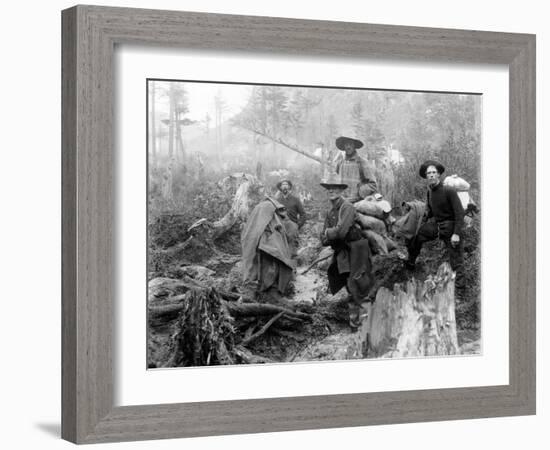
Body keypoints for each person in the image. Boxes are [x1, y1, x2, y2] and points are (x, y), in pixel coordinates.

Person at [320, 174, 374, 331]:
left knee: (361, 286)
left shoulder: (347, 207)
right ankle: (354, 324)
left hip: (357, 250)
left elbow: (342, 232)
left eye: (335, 188)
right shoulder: (330, 212)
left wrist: (329, 234)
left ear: (341, 190)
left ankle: (367, 326)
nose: (332, 191)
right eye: (329, 189)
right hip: (343, 252)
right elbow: (322, 239)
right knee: (349, 288)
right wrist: (331, 233)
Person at [405, 160, 465, 295]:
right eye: (428, 173)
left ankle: (461, 292)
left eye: (433, 172)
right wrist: (417, 218)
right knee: (417, 236)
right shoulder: (430, 192)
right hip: (437, 226)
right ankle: (411, 263)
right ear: (426, 176)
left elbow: (459, 213)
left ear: (438, 175)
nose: (431, 175)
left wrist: (456, 233)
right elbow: (431, 211)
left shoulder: (449, 190)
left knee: (456, 259)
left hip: (451, 227)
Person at [241, 196, 295, 301]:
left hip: (271, 274)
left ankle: (269, 292)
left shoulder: (277, 225)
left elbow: (282, 247)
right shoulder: (257, 226)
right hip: (259, 273)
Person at [334, 136, 378, 202]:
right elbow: (335, 181)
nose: (348, 147)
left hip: (357, 203)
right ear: (344, 147)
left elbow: (373, 185)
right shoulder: (340, 163)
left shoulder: (362, 162)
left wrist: (360, 192)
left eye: (351, 144)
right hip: (341, 202)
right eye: (346, 144)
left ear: (354, 146)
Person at [275, 179, 306, 256]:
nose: (284, 186)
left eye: (286, 184)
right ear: (280, 188)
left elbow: (303, 214)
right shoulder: (277, 200)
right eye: (282, 185)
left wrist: (298, 225)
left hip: (292, 226)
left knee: (292, 247)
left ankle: (293, 266)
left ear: (289, 187)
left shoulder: (295, 200)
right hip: (281, 226)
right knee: (280, 247)